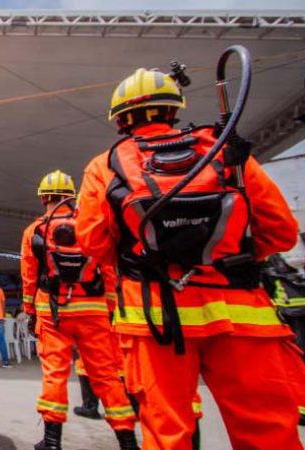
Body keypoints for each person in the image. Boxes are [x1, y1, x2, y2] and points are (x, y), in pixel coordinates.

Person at [76, 67, 303, 449]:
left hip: (154, 316)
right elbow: (281, 231)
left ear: (120, 117)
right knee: (268, 431)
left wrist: (142, 262)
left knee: (167, 432)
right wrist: (231, 257)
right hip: (242, 312)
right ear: (173, 109)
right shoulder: (223, 152)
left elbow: (93, 242)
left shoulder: (107, 164)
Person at [21, 170, 138, 450]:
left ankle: (51, 442)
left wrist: (30, 312)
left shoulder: (35, 230)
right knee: (107, 377)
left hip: (53, 313)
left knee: (54, 374)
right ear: (71, 197)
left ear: (43, 197)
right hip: (93, 311)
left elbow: (29, 275)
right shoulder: (90, 226)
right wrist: (110, 309)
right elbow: (108, 270)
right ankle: (128, 441)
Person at [262, 252, 305, 425]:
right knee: (297, 355)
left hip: (290, 307)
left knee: (296, 356)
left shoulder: (277, 255)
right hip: (292, 308)